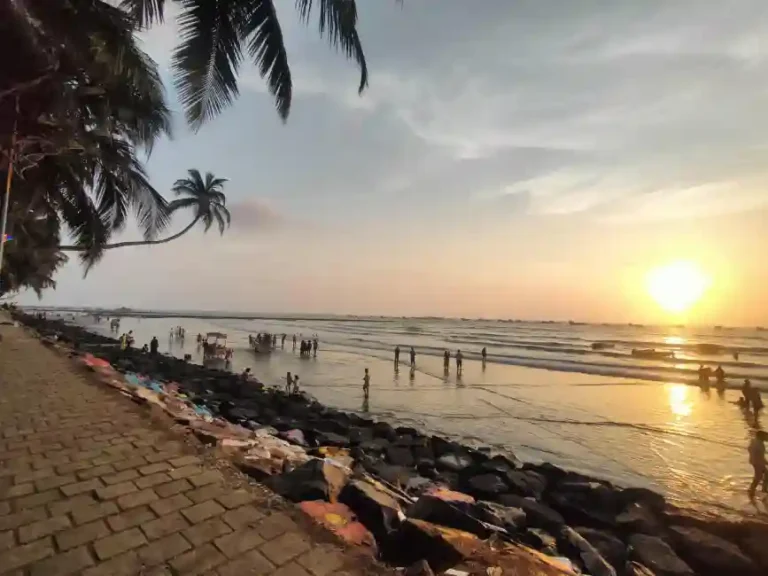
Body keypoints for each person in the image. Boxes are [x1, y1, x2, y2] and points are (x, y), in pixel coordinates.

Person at [748, 430, 768, 498]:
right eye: (766, 437)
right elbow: (759, 455)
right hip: (758, 463)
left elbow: (750, 449)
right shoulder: (759, 444)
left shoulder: (755, 441)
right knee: (758, 477)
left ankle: (763, 489)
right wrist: (765, 462)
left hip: (756, 461)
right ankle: (752, 491)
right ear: (762, 437)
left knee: (766, 474)